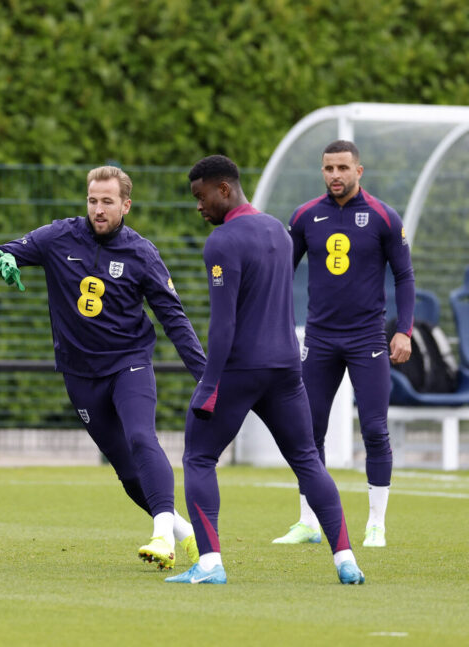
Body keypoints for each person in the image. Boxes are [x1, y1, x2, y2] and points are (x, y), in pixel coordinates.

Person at [0, 165, 207, 571]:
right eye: (93, 200)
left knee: (140, 436)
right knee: (127, 471)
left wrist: (205, 377)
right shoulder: (58, 236)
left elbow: (174, 318)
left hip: (129, 364)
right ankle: (181, 532)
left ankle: (161, 537)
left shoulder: (142, 253)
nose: (98, 209)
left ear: (126, 205)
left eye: (108, 201)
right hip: (80, 375)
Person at [167, 154, 364, 585]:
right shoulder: (278, 229)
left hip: (240, 370)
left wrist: (209, 384)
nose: (198, 206)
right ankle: (345, 558)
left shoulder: (222, 242)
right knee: (308, 461)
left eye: (201, 197)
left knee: (199, 458)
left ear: (224, 189)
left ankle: (210, 564)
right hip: (287, 368)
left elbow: (223, 325)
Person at [273, 140, 414, 548]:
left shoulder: (383, 217)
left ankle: (376, 524)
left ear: (359, 171)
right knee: (307, 430)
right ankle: (308, 522)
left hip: (367, 338)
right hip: (318, 338)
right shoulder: (305, 216)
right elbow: (281, 275)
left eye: (342, 168)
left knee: (373, 429)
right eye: (328, 168)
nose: (335, 175)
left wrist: (403, 329)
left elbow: (405, 276)